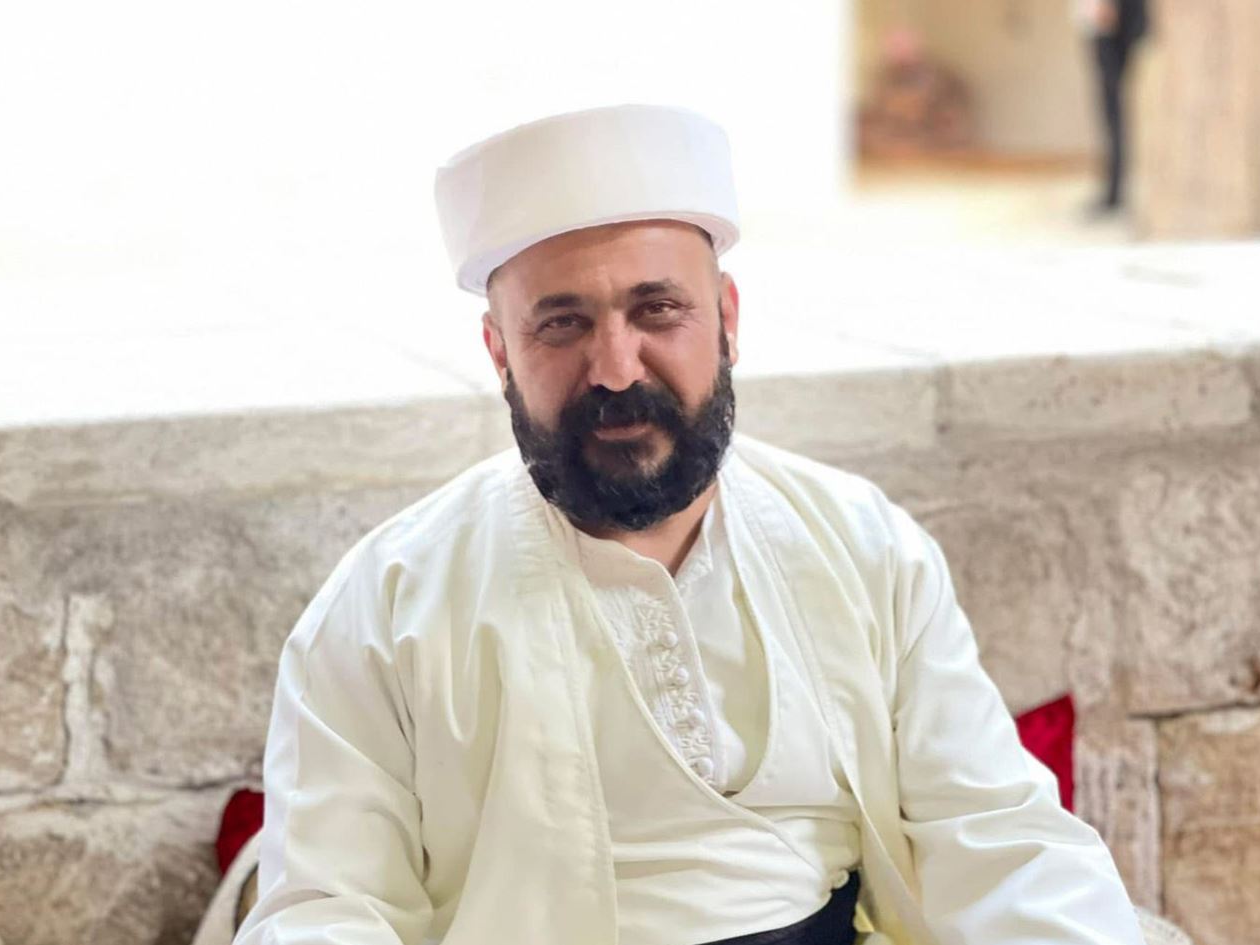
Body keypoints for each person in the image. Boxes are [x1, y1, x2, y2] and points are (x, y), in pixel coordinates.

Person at [233, 104, 1146, 945]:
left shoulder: (864, 547)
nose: (616, 367)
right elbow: (327, 909)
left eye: (657, 309)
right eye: (562, 324)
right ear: (499, 353)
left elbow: (999, 837)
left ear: (727, 320)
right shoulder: (384, 605)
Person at [1077, 0, 1149, 213]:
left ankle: (1115, 192)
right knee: (1113, 113)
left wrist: (1104, 6)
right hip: (1114, 22)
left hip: (1112, 23)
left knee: (1113, 111)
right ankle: (1114, 189)